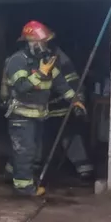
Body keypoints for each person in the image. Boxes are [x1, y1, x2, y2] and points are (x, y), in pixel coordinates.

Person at [2, 20, 84, 197]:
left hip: (38, 116)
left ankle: (27, 180)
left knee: (35, 152)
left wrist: (75, 101)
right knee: (25, 152)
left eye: (46, 42)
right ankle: (23, 187)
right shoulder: (17, 61)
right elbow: (21, 87)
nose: (45, 46)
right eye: (42, 42)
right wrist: (40, 74)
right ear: (31, 42)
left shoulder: (46, 61)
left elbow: (61, 84)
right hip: (20, 115)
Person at [43, 38, 95, 181]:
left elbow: (72, 81)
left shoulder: (59, 57)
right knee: (38, 139)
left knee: (69, 134)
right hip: (40, 107)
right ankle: (36, 167)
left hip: (61, 104)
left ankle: (84, 167)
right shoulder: (24, 58)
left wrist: (78, 102)